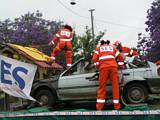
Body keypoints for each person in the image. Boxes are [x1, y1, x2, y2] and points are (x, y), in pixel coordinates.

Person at [92, 39, 124, 110]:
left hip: (103, 68)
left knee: (102, 87)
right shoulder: (112, 48)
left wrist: (98, 66)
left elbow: (94, 59)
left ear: (101, 44)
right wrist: (119, 66)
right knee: (115, 87)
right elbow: (121, 57)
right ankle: (117, 106)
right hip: (113, 68)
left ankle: (99, 107)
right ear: (108, 43)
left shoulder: (98, 49)